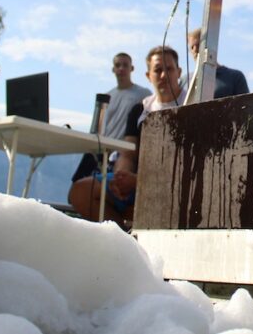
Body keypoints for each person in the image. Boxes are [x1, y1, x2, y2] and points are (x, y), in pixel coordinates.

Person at [67, 45, 185, 226]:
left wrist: (140, 180)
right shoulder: (140, 109)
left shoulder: (192, 104)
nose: (163, 75)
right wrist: (120, 177)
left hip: (174, 183)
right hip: (137, 183)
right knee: (81, 191)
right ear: (148, 76)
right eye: (157, 70)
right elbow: (128, 152)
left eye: (168, 69)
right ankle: (122, 241)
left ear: (179, 72)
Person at [100, 52, 152, 140]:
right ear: (113, 69)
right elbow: (100, 126)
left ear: (132, 68)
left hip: (128, 149)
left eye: (125, 65)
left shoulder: (144, 94)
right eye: (117, 65)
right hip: (105, 148)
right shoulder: (106, 97)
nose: (121, 68)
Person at [186, 28, 249, 98]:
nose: (195, 50)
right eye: (192, 47)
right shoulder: (187, 81)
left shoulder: (235, 77)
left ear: (210, 45)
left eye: (198, 45)